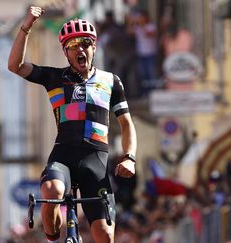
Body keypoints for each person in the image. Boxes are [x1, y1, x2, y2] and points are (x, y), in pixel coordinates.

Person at [8, 6, 137, 243]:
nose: (80, 49)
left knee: (106, 236)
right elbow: (15, 66)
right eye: (73, 45)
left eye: (85, 44)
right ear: (65, 53)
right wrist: (26, 26)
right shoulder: (55, 78)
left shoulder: (111, 81)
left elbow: (126, 124)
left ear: (94, 47)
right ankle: (52, 235)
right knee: (52, 192)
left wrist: (129, 157)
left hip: (95, 161)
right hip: (63, 156)